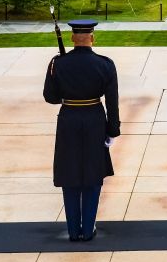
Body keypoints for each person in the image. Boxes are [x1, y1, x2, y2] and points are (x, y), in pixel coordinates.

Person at [42, 20, 121, 242]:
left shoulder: (59, 63)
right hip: (94, 119)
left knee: (70, 172)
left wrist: (66, 87)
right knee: (93, 173)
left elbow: (51, 97)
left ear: (72, 38)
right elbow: (112, 101)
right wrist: (112, 130)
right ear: (92, 38)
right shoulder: (105, 64)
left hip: (68, 119)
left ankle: (73, 230)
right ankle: (88, 229)